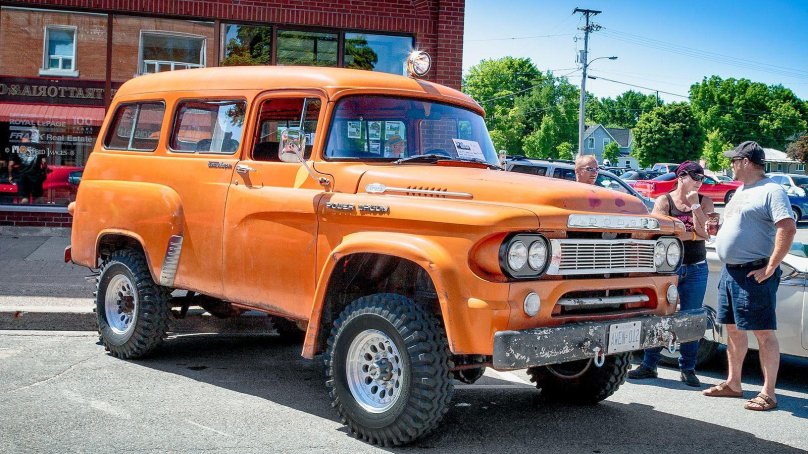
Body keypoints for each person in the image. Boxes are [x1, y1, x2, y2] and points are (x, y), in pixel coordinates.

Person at [703, 141, 796, 411]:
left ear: (746, 162)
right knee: (731, 329)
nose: (730, 164)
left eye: (734, 160)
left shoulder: (772, 190)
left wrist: (770, 267)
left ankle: (769, 393)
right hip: (731, 272)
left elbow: (788, 228)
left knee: (764, 333)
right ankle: (734, 383)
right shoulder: (741, 191)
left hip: (754, 273)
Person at [627, 161, 714, 387]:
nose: (699, 181)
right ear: (681, 176)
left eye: (702, 178)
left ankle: (688, 368)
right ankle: (649, 365)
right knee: (660, 314)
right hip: (667, 268)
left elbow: (706, 233)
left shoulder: (705, 201)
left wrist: (695, 208)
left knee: (690, 318)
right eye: (695, 176)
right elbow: (658, 233)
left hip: (695, 266)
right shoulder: (664, 201)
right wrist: (691, 232)